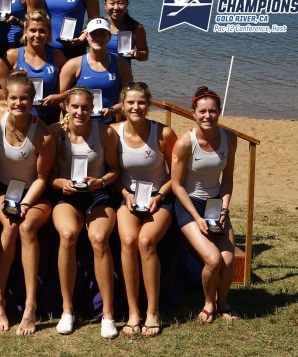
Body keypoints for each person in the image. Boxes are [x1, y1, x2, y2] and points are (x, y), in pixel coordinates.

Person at [48, 86, 121, 338]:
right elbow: (46, 175)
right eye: (75, 107)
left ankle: (108, 314)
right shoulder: (55, 133)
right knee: (68, 235)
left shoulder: (105, 132)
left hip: (98, 195)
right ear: (66, 107)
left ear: (93, 108)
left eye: (85, 107)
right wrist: (61, 183)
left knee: (99, 239)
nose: (80, 112)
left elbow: (115, 171)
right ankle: (67, 310)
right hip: (66, 196)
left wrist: (100, 182)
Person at [0, 70, 55, 335]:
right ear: (6, 100)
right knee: (10, 227)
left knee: (26, 228)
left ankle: (30, 305)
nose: (18, 104)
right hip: (4, 189)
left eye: (24, 99)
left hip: (35, 193)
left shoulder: (44, 134)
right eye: (13, 98)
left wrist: (26, 203)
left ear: (33, 100)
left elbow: (42, 178)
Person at [113, 82, 176, 337]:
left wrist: (160, 197)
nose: (136, 107)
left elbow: (177, 176)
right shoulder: (112, 132)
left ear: (148, 104)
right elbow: (112, 174)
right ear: (123, 105)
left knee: (146, 241)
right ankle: (133, 312)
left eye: (141, 102)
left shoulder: (164, 133)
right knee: (128, 240)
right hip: (127, 198)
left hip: (159, 198)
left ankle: (152, 311)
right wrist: (125, 194)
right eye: (130, 102)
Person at [171, 86, 239, 324]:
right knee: (213, 259)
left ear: (219, 112)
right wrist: (197, 217)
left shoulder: (229, 138)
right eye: (202, 111)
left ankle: (223, 303)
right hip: (189, 205)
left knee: (228, 259)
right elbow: (176, 184)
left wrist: (224, 208)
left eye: (212, 111)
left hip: (215, 204)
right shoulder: (184, 143)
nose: (207, 116)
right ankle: (209, 302)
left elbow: (227, 178)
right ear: (193, 113)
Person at [58, 18, 133, 123]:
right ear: (87, 36)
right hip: (80, 125)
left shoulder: (122, 64)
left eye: (103, 33)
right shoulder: (73, 65)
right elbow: (60, 100)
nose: (98, 38)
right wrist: (77, 116)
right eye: (94, 33)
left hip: (109, 125)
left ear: (109, 36)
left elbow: (129, 99)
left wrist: (112, 111)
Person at [5, 10, 66, 125]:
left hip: (50, 119)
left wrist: (58, 97)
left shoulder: (57, 56)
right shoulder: (12, 56)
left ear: (48, 33)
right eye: (33, 30)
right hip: (21, 118)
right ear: (25, 32)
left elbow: (68, 89)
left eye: (42, 31)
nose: (37, 35)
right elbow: (1, 88)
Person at [104, 0, 149, 65]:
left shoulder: (136, 28)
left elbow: (145, 56)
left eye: (121, 3)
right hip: (99, 72)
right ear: (105, 5)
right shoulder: (99, 24)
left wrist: (137, 54)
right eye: (112, 3)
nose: (116, 7)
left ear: (127, 4)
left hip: (124, 75)